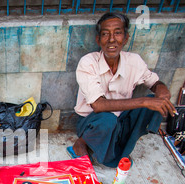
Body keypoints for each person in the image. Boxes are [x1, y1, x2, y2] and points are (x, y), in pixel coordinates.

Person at [67, 12, 176, 168]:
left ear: (125, 38)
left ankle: (122, 144)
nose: (112, 39)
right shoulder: (88, 62)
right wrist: (145, 101)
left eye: (117, 33)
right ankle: (82, 143)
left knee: (156, 104)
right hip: (92, 122)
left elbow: (154, 82)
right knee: (108, 119)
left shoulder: (134, 61)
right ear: (98, 40)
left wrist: (162, 91)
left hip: (120, 119)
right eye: (105, 34)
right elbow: (98, 105)